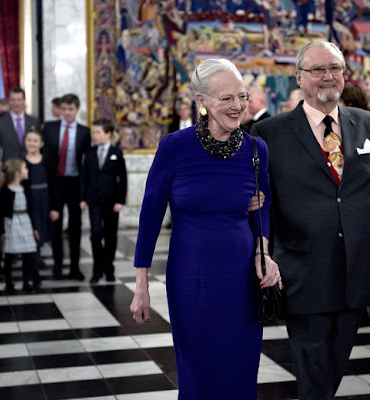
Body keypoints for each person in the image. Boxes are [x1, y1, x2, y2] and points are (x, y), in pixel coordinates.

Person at [252, 42, 370, 399]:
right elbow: (261, 206)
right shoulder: (269, 133)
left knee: (335, 361)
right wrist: (261, 254)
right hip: (303, 268)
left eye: (334, 67)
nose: (327, 76)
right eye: (317, 69)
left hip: (359, 266)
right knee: (312, 363)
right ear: (300, 78)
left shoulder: (368, 123)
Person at [130, 58, 281, 399]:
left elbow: (264, 208)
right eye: (226, 98)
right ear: (202, 102)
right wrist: (141, 283)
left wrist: (264, 253)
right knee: (198, 369)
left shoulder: (256, 149)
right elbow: (151, 214)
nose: (237, 105)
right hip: (191, 277)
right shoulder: (175, 146)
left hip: (242, 278)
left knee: (240, 369)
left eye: (241, 96)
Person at [43, 93, 91, 280]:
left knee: (75, 227)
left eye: (71, 109)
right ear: (60, 110)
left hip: (75, 183)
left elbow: (86, 164)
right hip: (55, 182)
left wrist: (85, 192)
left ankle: (74, 267)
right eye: (64, 109)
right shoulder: (49, 128)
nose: (67, 113)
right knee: (55, 224)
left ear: (77, 110)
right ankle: (57, 265)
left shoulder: (84, 132)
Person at [80, 119, 127, 283]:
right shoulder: (90, 152)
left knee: (110, 235)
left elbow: (123, 178)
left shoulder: (116, 153)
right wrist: (82, 198)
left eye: (98, 132)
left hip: (111, 200)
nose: (95, 135)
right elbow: (84, 177)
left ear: (108, 134)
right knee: (95, 234)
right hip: (94, 200)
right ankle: (96, 269)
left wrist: (121, 200)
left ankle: (109, 268)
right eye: (94, 132)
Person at [0, 159, 41, 293]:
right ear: (17, 173)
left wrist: (34, 228)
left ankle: (27, 282)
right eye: (25, 169)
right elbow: (0, 213)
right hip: (11, 223)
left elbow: (31, 209)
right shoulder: (4, 191)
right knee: (9, 254)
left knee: (29, 254)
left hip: (25, 221)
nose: (27, 171)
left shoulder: (26, 188)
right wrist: (2, 230)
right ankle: (9, 283)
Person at [23, 131, 55, 252]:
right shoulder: (22, 162)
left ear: (41, 144)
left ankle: (39, 253)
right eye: (29, 140)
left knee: (44, 227)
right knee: (32, 225)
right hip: (30, 199)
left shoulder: (47, 160)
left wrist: (54, 207)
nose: (31, 143)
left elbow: (53, 184)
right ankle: (32, 253)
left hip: (45, 198)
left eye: (35, 141)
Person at [0, 87, 40, 160]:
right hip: (8, 166)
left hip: (30, 164)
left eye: (19, 100)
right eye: (13, 100)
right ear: (9, 101)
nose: (16, 103)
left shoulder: (34, 121)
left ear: (24, 101)